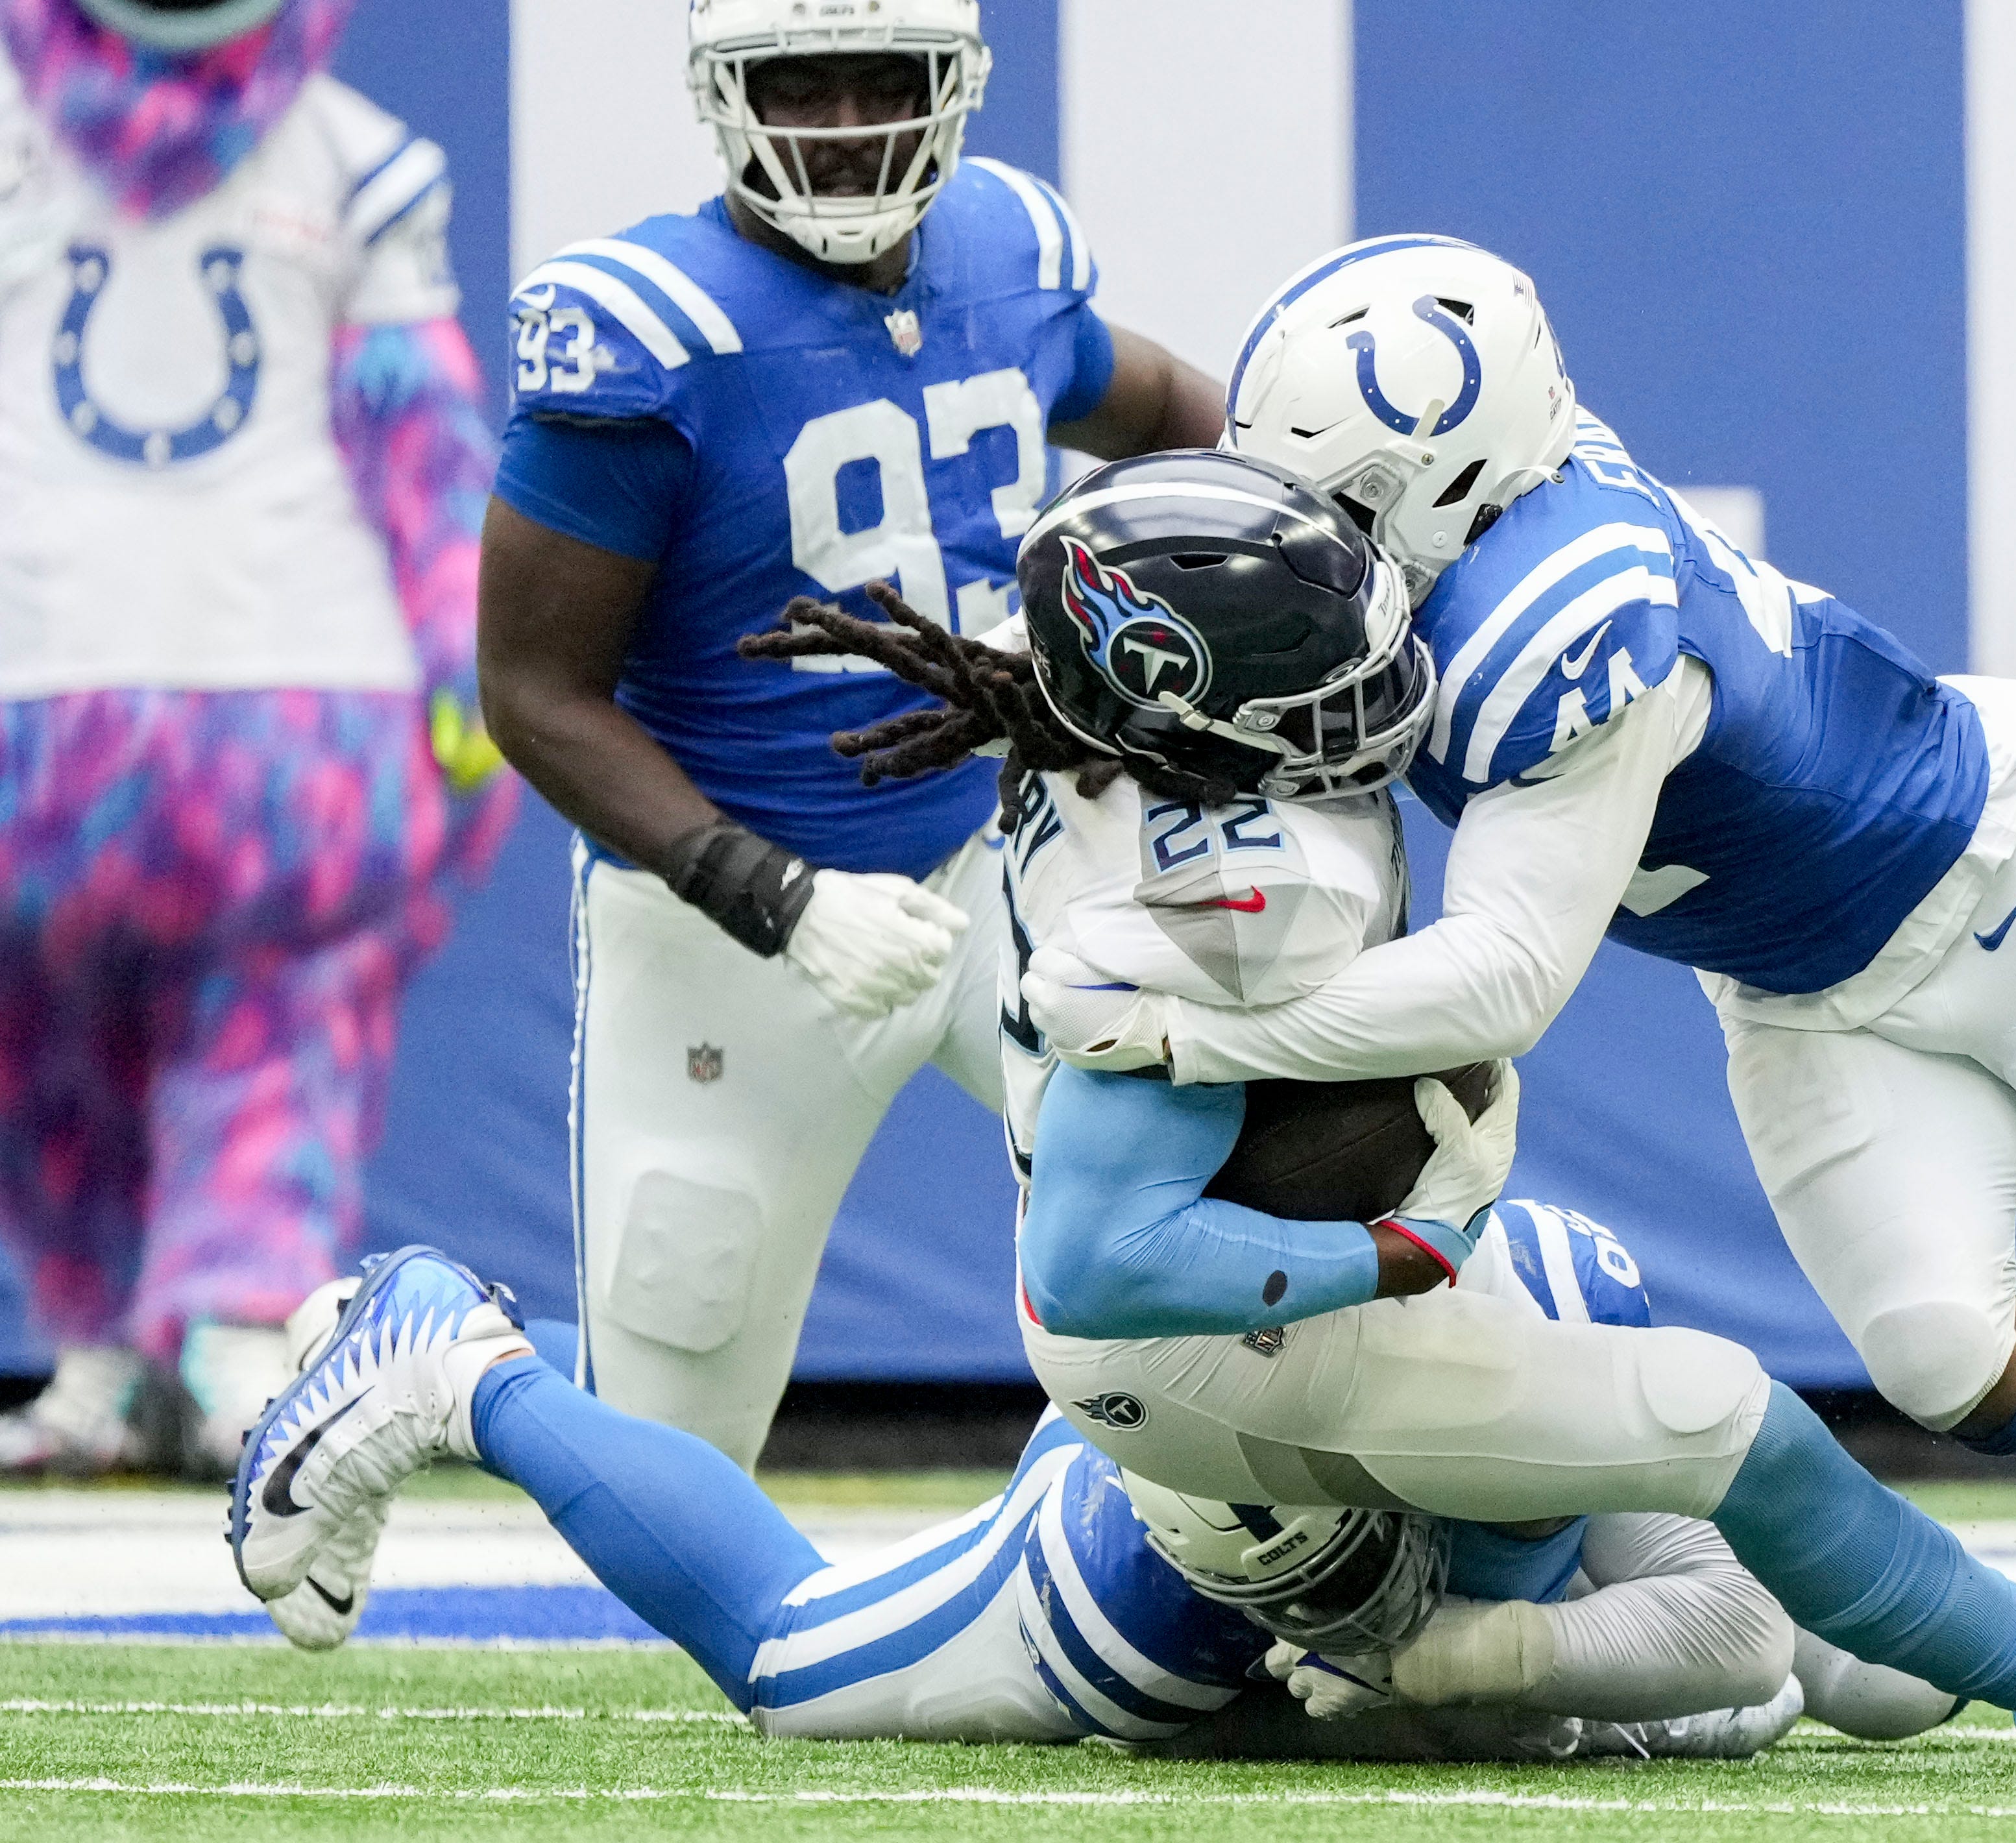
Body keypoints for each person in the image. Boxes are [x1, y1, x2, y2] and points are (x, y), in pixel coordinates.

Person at [717, 447, 2016, 1776]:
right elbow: (1097, 1256)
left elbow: (1154, 600)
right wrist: (1358, 1245)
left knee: (1821, 1649)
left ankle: (1933, 1671)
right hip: (1214, 1407)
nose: (1373, 699)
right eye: (1306, 679)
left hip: (1338, 1305)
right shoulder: (1239, 879)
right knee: (1731, 1497)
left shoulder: (1156, 763)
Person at [1025, 240, 2016, 1630]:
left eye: (1346, 507)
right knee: (1945, 1368)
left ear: (1452, 483)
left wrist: (1198, 1029)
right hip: (1794, 982)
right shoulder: (1461, 511)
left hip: (1996, 874)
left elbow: (1501, 980)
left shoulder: (1556, 617)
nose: (1318, 539)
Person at [474, 0, 1222, 1470]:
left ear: (952, 86)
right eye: (793, 86)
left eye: (877, 80)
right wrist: (770, 890)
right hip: (733, 917)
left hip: (1002, 867)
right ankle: (424, 1351)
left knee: (1180, 1262)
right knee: (668, 1451)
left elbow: (1184, 416)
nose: (839, 124)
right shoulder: (652, 333)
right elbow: (535, 694)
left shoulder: (1007, 254)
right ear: (721, 96)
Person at [230, 1206, 1919, 1763]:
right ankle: (463, 1365)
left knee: (1865, 1677)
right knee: (796, 1666)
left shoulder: (1539, 1309)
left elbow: (1746, 1625)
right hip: (1151, 1556)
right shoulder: (1180, 1555)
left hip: (1310, 1463)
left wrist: (1520, 1657)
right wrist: (1468, 1668)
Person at [0, 0, 512, 1483]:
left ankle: (232, 1324)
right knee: (35, 1048)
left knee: (282, 1017)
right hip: (39, 668)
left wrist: (458, 649)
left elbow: (420, 433)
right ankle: (98, 1339)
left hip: (297, 679)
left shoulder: (361, 167)